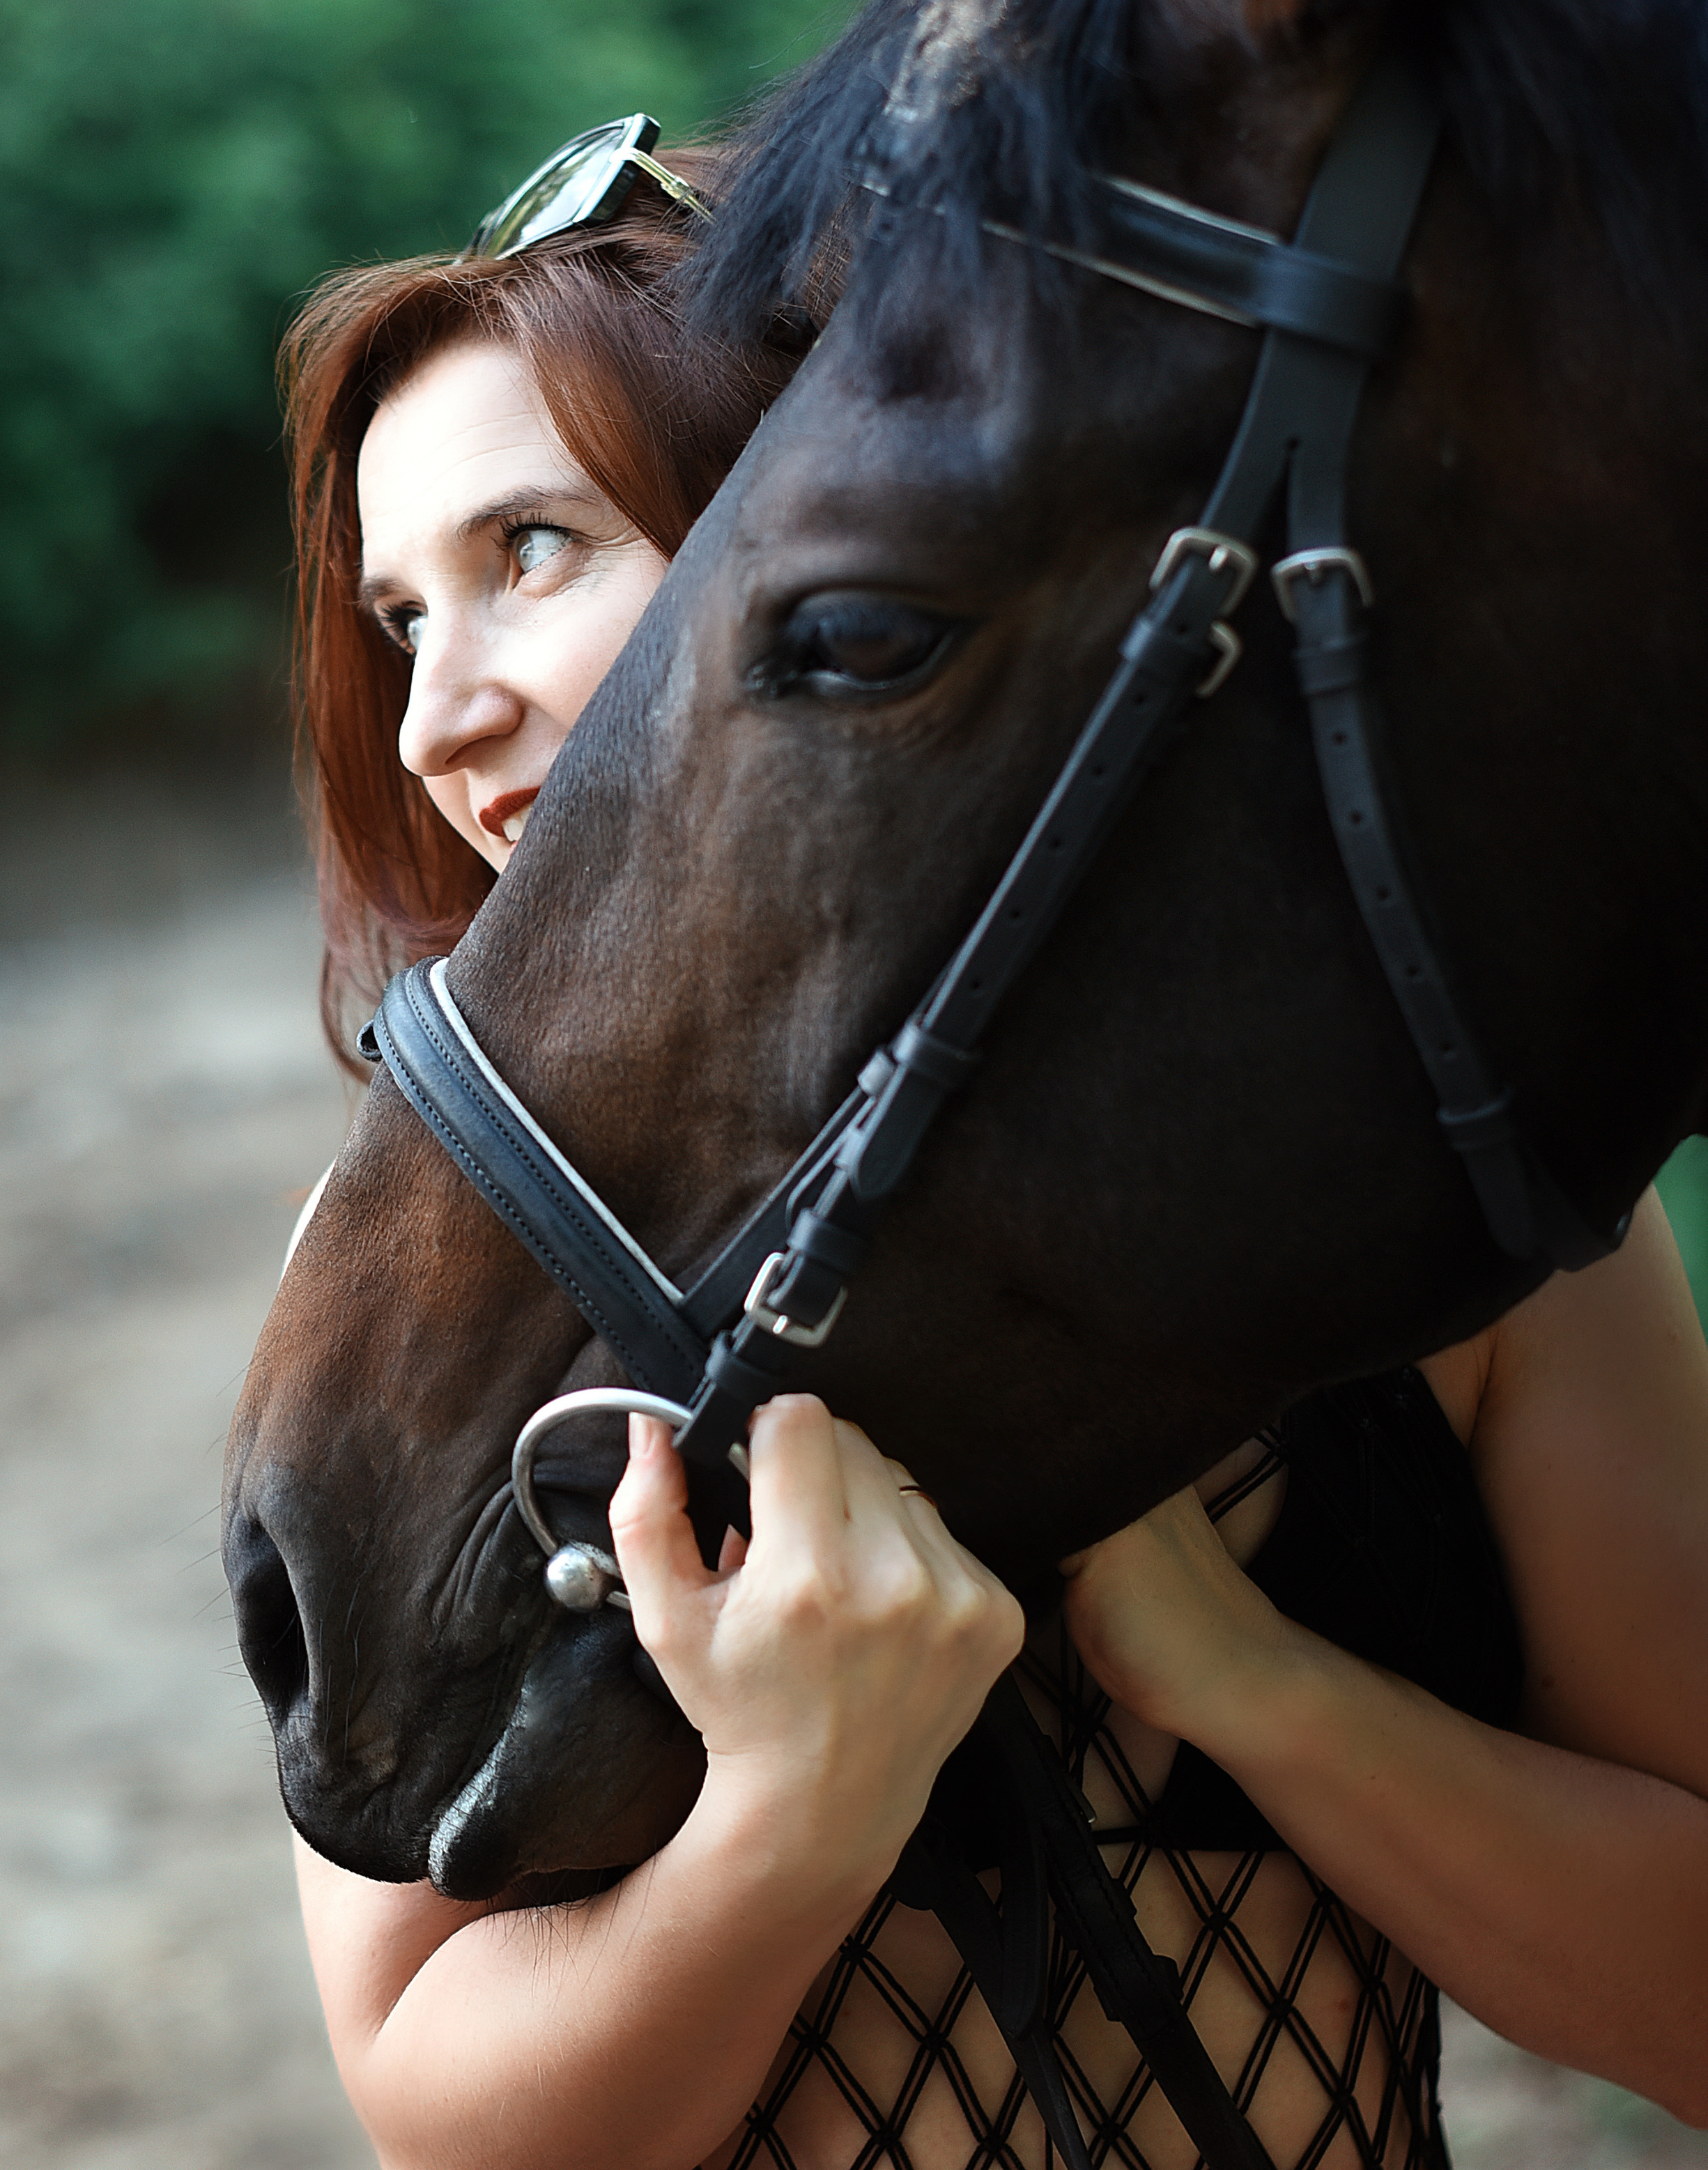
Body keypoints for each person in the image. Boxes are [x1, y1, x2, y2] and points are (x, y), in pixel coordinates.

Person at [275, 121, 1708, 2170]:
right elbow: (435, 2109)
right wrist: (792, 1821)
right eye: (401, 617)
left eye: (529, 550)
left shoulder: (1422, 1207)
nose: (433, 718)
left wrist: (1255, 1685)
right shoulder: (449, 1249)